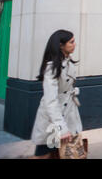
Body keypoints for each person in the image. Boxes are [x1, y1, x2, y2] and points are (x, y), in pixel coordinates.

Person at [30, 30, 82, 159]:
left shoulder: (68, 62)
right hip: (52, 118)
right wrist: (61, 127)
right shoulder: (51, 68)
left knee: (65, 152)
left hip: (68, 111)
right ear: (61, 45)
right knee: (45, 153)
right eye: (71, 42)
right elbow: (51, 100)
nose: (75, 44)